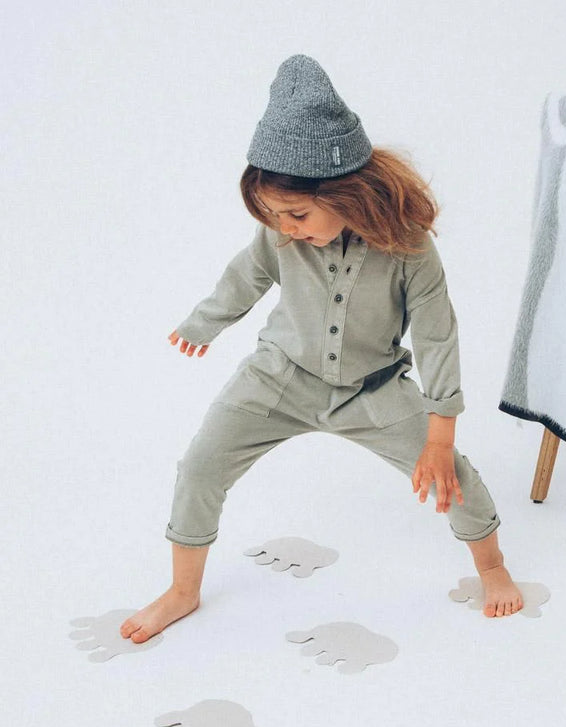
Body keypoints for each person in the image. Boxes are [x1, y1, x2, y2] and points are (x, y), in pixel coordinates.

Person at [121, 54, 523, 644]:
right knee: (200, 465)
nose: (286, 227)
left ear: (346, 192)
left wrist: (439, 438)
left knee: (450, 474)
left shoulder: (409, 247)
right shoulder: (279, 233)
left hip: (373, 390)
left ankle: (492, 567)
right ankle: (183, 590)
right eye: (273, 215)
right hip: (279, 375)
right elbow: (248, 274)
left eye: (298, 214)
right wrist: (205, 323)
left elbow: (437, 335)